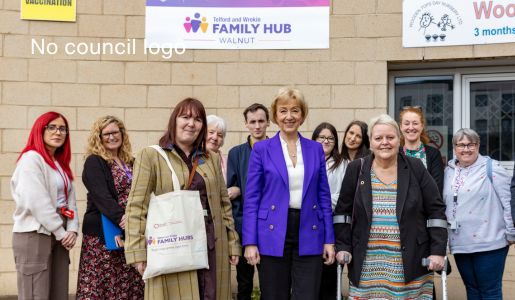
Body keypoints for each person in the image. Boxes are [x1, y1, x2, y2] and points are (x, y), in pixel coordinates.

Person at [124, 98, 241, 300]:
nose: (191, 123)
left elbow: (223, 203)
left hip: (212, 242)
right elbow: (136, 207)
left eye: (197, 119)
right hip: (172, 242)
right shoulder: (151, 156)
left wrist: (232, 242)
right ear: (174, 121)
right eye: (185, 117)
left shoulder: (210, 157)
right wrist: (136, 252)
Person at [334, 114, 447, 299]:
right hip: (368, 265)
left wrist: (437, 251)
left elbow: (436, 210)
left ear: (398, 140)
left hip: (410, 262)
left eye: (390, 137)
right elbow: (342, 213)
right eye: (378, 138)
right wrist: (343, 246)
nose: (384, 142)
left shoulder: (415, 167)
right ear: (370, 142)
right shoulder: (357, 168)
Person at [243, 87, 335, 299]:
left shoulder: (315, 149)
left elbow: (323, 197)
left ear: (302, 115)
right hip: (272, 232)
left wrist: (328, 240)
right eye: (283, 110)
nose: (289, 116)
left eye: (295, 110)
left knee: (308, 295)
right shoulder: (262, 149)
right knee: (274, 295)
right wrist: (250, 242)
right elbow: (252, 199)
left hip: (309, 230)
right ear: (275, 115)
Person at [11, 112, 79, 300]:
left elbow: (70, 200)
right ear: (40, 130)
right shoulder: (31, 159)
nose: (58, 132)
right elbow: (37, 201)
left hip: (60, 235)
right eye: (52, 127)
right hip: (35, 234)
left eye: (62, 128)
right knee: (36, 295)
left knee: (58, 293)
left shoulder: (60, 164)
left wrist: (72, 229)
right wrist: (61, 231)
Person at [76, 116, 144, 299]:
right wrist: (126, 221)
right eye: (106, 134)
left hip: (130, 233)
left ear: (122, 134)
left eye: (115, 132)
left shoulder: (132, 162)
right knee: (102, 286)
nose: (112, 137)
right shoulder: (95, 162)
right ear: (98, 137)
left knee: (128, 285)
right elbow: (102, 197)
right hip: (103, 235)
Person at [443, 128, 515, 299]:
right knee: (472, 290)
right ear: (454, 148)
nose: (466, 149)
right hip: (460, 243)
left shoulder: (492, 167)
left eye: (471, 144)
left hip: (490, 242)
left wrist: (511, 231)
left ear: (478, 146)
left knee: (490, 291)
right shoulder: (448, 172)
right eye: (461, 145)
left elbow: (508, 202)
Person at [227, 103, 270, 300]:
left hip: (271, 226)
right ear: (246, 124)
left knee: (270, 282)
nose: (257, 126)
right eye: (252, 122)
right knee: (244, 282)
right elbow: (232, 193)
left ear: (268, 122)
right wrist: (239, 227)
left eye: (261, 121)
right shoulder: (236, 153)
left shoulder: (278, 150)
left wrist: (240, 191)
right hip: (245, 226)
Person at [311, 122, 346, 300]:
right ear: (314, 139)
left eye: (330, 138)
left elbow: (342, 196)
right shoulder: (305, 161)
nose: (326, 141)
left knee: (328, 276)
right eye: (322, 137)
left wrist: (315, 202)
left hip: (330, 224)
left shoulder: (343, 164)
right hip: (308, 226)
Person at [400, 106, 444, 193]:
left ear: (422, 126)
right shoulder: (395, 153)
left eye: (415, 123)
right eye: (406, 123)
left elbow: (436, 188)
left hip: (425, 206)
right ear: (401, 127)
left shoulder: (433, 154)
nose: (411, 127)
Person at [206, 114, 228, 183]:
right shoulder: (192, 158)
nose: (215, 138)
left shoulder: (228, 162)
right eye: (211, 132)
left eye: (220, 135)